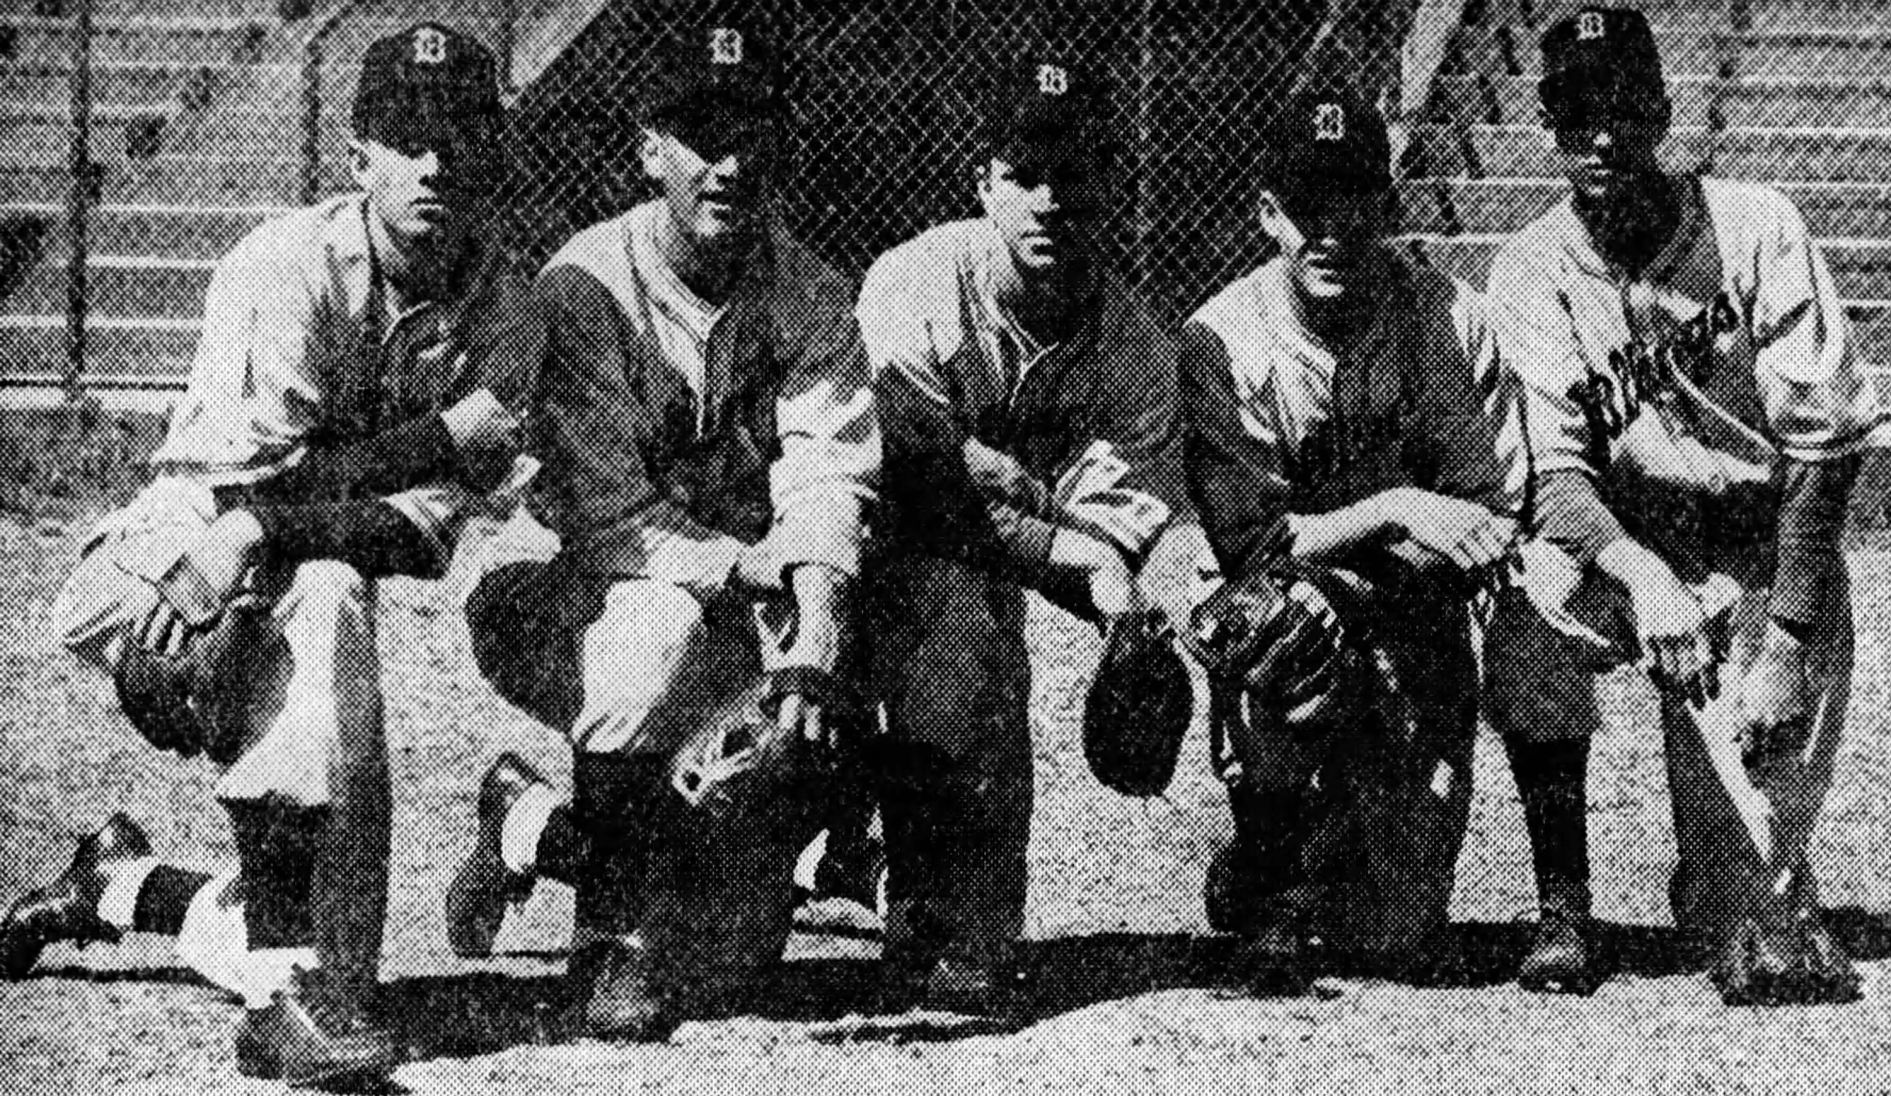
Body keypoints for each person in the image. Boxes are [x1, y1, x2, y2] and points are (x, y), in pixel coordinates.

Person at [5, 23, 535, 1086]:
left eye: (461, 138)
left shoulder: (505, 304)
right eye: (407, 137)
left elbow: (417, 533)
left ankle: (127, 886)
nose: (435, 164)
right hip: (165, 560)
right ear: (361, 158)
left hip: (284, 554)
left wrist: (274, 522)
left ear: (492, 158)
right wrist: (429, 442)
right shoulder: (284, 264)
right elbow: (234, 498)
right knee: (323, 600)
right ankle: (304, 992)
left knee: (330, 592)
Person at [450, 21, 881, 1040]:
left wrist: (812, 638)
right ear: (650, 151)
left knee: (729, 955)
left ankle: (526, 822)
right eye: (698, 134)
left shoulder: (814, 295)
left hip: (723, 596)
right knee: (652, 635)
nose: (727, 161)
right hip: (551, 593)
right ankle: (609, 942)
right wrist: (758, 569)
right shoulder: (583, 289)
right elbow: (614, 525)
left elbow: (829, 480)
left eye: (750, 130)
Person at [1483, 5, 1886, 1004]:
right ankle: (1562, 902)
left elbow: (1824, 446)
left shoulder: (1757, 225)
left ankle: (1730, 867)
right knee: (1526, 591)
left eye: (1622, 109)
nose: (1602, 137)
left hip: (1760, 546)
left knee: (1741, 930)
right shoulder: (1530, 267)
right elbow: (1554, 478)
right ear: (1548, 123)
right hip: (1627, 544)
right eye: (1577, 115)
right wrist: (1644, 573)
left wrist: (1789, 635)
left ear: (1661, 111)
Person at [854, 52, 1209, 1016]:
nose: (1051, 198)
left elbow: (1107, 532)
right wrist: (1071, 555)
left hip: (956, 592)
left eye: (1075, 170)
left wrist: (1119, 605)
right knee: (950, 618)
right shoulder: (914, 286)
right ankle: (540, 825)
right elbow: (907, 490)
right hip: (835, 582)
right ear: (984, 185)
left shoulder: (1134, 342)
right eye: (1025, 173)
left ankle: (936, 905)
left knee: (970, 632)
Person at [1179, 85, 1528, 991]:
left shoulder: (1452, 320)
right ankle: (1274, 871)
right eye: (1304, 204)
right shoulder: (1222, 337)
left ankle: (1324, 849)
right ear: (1268, 214)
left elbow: (1490, 519)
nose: (1328, 229)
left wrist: (1391, 544)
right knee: (1271, 619)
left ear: (1389, 205)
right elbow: (1251, 547)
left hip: (1417, 623)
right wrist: (1399, 509)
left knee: (1392, 936)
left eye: (1352, 200)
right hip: (1301, 615)